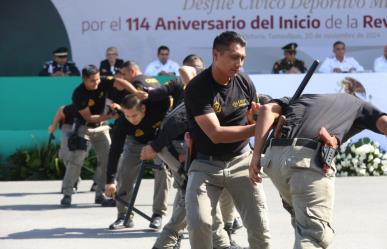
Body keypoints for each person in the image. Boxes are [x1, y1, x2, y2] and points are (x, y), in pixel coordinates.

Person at [249, 93, 387, 249]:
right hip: (305, 160)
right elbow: (384, 124)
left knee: (302, 223)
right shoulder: (359, 105)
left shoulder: (303, 98)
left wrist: (255, 156)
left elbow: (267, 110)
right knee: (314, 235)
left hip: (274, 161)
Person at [184, 31, 271, 249]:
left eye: (242, 58)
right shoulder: (197, 87)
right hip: (204, 164)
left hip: (241, 161)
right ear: (216, 55)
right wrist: (259, 126)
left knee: (260, 229)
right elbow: (216, 133)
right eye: (234, 57)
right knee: (199, 223)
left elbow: (252, 117)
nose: (239, 63)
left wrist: (255, 121)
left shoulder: (245, 82)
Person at [60, 65, 139, 207]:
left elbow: (120, 82)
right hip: (83, 128)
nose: (97, 83)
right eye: (92, 81)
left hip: (101, 127)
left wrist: (135, 92)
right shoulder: (78, 94)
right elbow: (89, 117)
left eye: (97, 79)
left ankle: (101, 194)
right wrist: (109, 115)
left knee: (108, 160)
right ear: (84, 79)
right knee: (76, 160)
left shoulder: (102, 81)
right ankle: (67, 193)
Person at [104, 93, 171, 230]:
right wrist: (110, 181)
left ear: (143, 109)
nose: (131, 120)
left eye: (134, 115)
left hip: (158, 141)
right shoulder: (123, 123)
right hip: (135, 142)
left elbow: (169, 93)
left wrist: (147, 93)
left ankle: (158, 214)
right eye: (127, 115)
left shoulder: (157, 109)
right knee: (125, 172)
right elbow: (115, 150)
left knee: (163, 170)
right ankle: (124, 216)